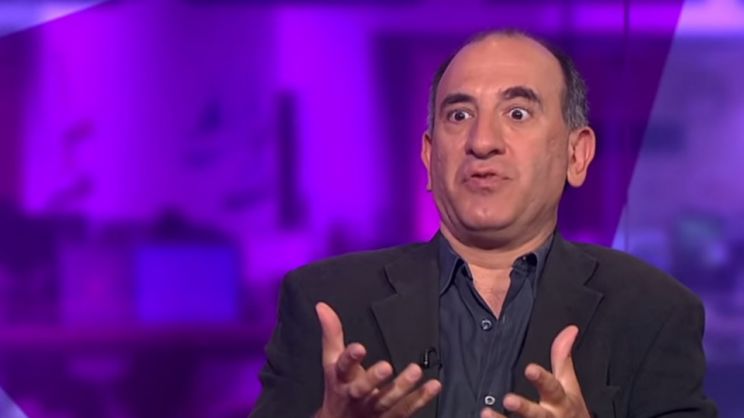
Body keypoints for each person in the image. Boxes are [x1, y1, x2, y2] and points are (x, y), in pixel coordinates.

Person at [249, 29, 717, 418]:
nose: (482, 141)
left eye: (517, 113)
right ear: (430, 157)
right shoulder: (324, 302)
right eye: (459, 115)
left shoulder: (653, 311)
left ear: (577, 155)